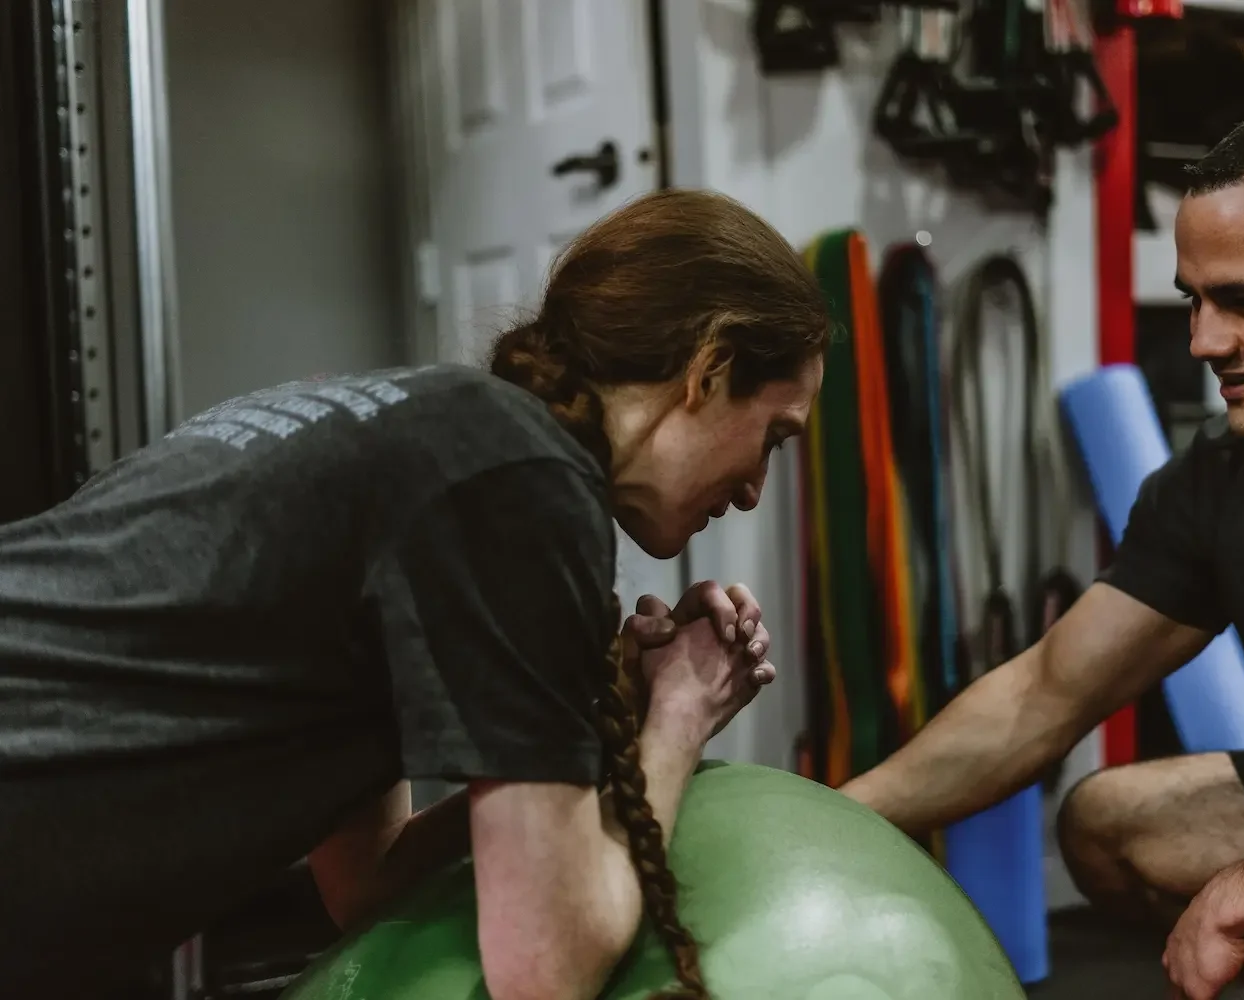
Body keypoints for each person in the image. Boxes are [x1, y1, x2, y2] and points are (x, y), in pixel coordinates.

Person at [0, 188, 830, 999]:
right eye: (774, 437)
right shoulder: (521, 480)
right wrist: (679, 717)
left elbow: (368, 880)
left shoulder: (436, 443)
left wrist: (600, 709)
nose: (756, 489)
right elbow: (545, 969)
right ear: (709, 365)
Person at [842, 100, 1244, 1000]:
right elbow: (1044, 692)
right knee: (1112, 823)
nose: (1204, 342)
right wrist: (831, 818)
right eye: (1195, 300)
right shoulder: (1227, 478)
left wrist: (1243, 896)